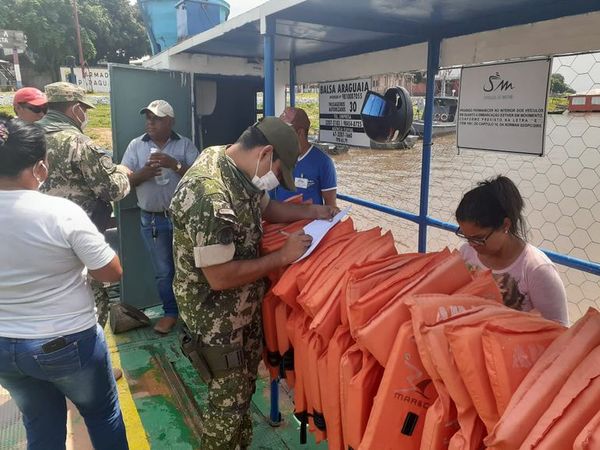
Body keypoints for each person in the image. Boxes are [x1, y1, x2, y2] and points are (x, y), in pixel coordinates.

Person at [171, 117, 338, 449]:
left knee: (244, 393)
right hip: (216, 318)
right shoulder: (209, 192)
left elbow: (269, 209)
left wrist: (315, 211)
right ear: (266, 153)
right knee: (226, 408)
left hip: (243, 309)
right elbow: (219, 277)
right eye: (278, 170)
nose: (275, 179)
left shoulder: (234, 165)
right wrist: (281, 257)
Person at [0, 118, 129, 450]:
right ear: (40, 167)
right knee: (103, 416)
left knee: (40, 423)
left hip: (4, 344)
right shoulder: (59, 213)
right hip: (65, 341)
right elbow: (111, 272)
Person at [37, 82, 131, 334]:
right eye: (84, 110)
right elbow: (110, 190)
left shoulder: (25, 137)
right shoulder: (78, 143)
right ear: (76, 109)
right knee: (91, 304)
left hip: (33, 239)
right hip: (77, 241)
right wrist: (122, 173)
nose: (86, 116)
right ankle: (89, 361)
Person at [121, 100, 199, 334]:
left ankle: (193, 312)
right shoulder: (136, 145)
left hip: (183, 219)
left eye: (156, 118)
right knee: (164, 271)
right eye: (148, 118)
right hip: (153, 219)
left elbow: (200, 179)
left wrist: (174, 164)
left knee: (191, 266)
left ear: (170, 121)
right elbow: (124, 181)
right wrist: (142, 174)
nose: (150, 123)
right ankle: (171, 312)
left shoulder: (184, 145)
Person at [455, 175, 568, 326]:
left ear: (505, 225)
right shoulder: (466, 253)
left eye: (478, 238)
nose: (471, 244)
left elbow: (559, 330)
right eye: (465, 235)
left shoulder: (536, 269)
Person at [270, 106, 337, 206]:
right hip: (280, 219)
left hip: (309, 221)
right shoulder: (278, 157)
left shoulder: (323, 162)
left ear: (299, 132)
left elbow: (331, 206)